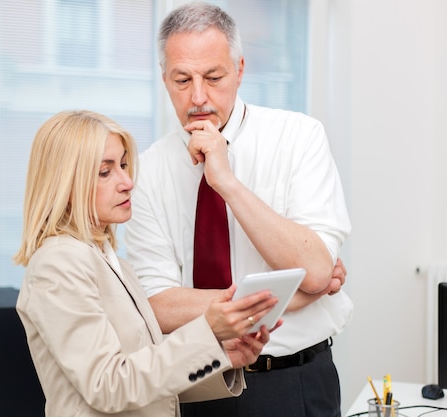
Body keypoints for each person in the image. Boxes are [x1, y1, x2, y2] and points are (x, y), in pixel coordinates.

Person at [124, 3, 353, 417]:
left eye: (213, 77)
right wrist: (288, 295)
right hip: (201, 381)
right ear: (164, 79)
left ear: (240, 69)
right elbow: (158, 303)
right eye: (181, 80)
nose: (198, 97)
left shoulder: (298, 137)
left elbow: (317, 270)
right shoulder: (146, 172)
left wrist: (226, 182)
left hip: (294, 380)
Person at [13, 110, 282, 417]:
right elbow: (108, 385)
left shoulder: (112, 262)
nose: (127, 182)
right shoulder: (58, 264)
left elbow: (145, 383)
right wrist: (206, 332)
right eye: (105, 172)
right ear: (65, 185)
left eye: (124, 165)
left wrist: (221, 354)